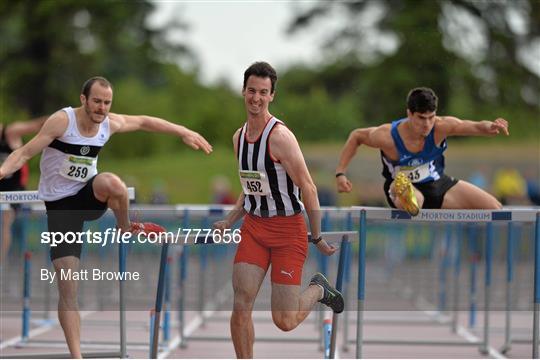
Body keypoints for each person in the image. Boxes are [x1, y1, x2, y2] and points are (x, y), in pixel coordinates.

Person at [0, 76, 212, 358]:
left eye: (107, 103)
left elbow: (145, 121)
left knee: (113, 182)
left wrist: (182, 131)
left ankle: (125, 227)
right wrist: (2, 172)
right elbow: (24, 152)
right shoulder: (63, 121)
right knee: (68, 290)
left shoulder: (109, 123)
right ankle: (77, 356)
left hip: (89, 196)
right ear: (83, 99)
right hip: (61, 209)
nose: (102, 108)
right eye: (97, 101)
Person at [213, 62, 343, 358]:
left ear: (272, 95)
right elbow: (250, 189)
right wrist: (230, 220)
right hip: (255, 229)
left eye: (263, 92)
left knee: (284, 320)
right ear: (243, 91)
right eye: (251, 91)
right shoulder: (238, 138)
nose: (256, 98)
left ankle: (319, 290)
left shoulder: (281, 137)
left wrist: (317, 235)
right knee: (241, 304)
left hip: (288, 231)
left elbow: (308, 187)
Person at [335, 87, 508, 214]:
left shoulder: (441, 126)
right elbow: (356, 136)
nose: (426, 124)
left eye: (431, 117)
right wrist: (340, 173)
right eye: (421, 118)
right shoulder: (387, 136)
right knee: (414, 202)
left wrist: (491, 126)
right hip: (402, 187)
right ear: (409, 114)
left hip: (437, 183)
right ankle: (403, 194)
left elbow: (474, 126)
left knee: (495, 209)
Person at [1, 117, 47, 263]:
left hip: (14, 191)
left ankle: (0, 263)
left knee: (4, 220)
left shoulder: (11, 132)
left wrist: (66, 120)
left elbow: (37, 125)